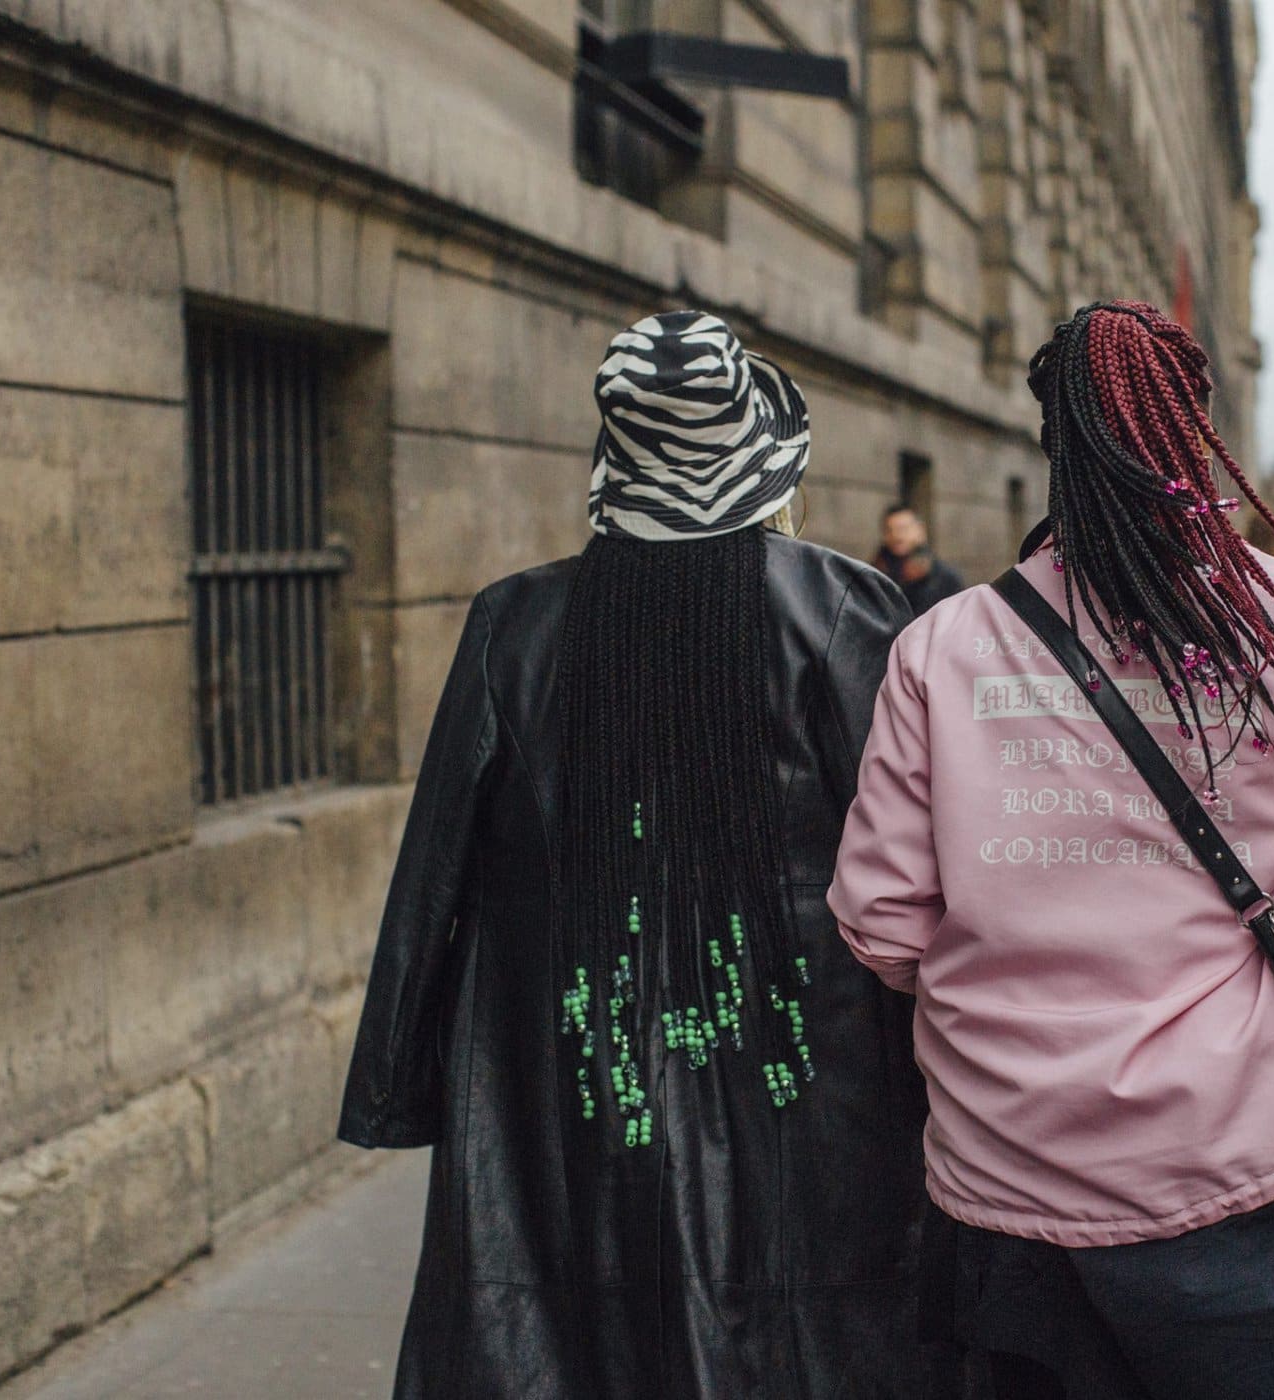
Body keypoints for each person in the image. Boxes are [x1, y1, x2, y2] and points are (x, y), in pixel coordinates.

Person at [830, 301, 1274, 1399]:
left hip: (1009, 1190)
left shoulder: (943, 647)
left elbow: (879, 922)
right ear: (1194, 430)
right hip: (1250, 1174)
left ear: (1053, 447)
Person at [338, 312, 930, 1397]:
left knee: (585, 1334)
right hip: (808, 1061)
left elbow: (435, 871)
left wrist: (397, 1080)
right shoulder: (845, 611)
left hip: (568, 1061)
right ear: (757, 462)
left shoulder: (514, 623)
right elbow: (914, 863)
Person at [876, 502, 967, 615]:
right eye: (889, 530)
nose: (896, 536)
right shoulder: (877, 575)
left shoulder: (946, 578)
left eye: (903, 529)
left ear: (920, 530)